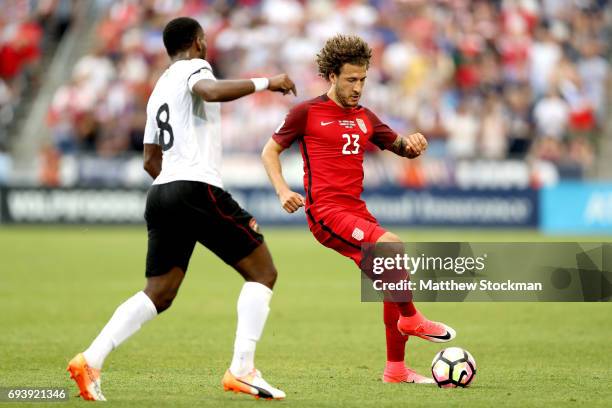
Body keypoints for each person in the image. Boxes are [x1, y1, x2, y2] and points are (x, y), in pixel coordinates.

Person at [67, 17, 296, 401]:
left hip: (161, 192)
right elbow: (208, 91)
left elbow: (148, 159)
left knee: (159, 292)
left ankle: (90, 359)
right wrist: (267, 82)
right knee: (263, 272)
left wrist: (174, 188)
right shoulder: (195, 68)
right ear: (198, 42)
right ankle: (242, 368)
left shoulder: (159, 88)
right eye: (203, 41)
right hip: (195, 186)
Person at [261, 34, 455, 384]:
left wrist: (414, 143)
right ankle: (411, 318)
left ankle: (395, 369)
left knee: (390, 279)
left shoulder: (366, 117)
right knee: (391, 246)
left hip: (357, 212)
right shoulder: (306, 112)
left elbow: (401, 147)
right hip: (325, 212)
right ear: (332, 76)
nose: (358, 87)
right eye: (351, 79)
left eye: (363, 79)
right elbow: (269, 151)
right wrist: (281, 190)